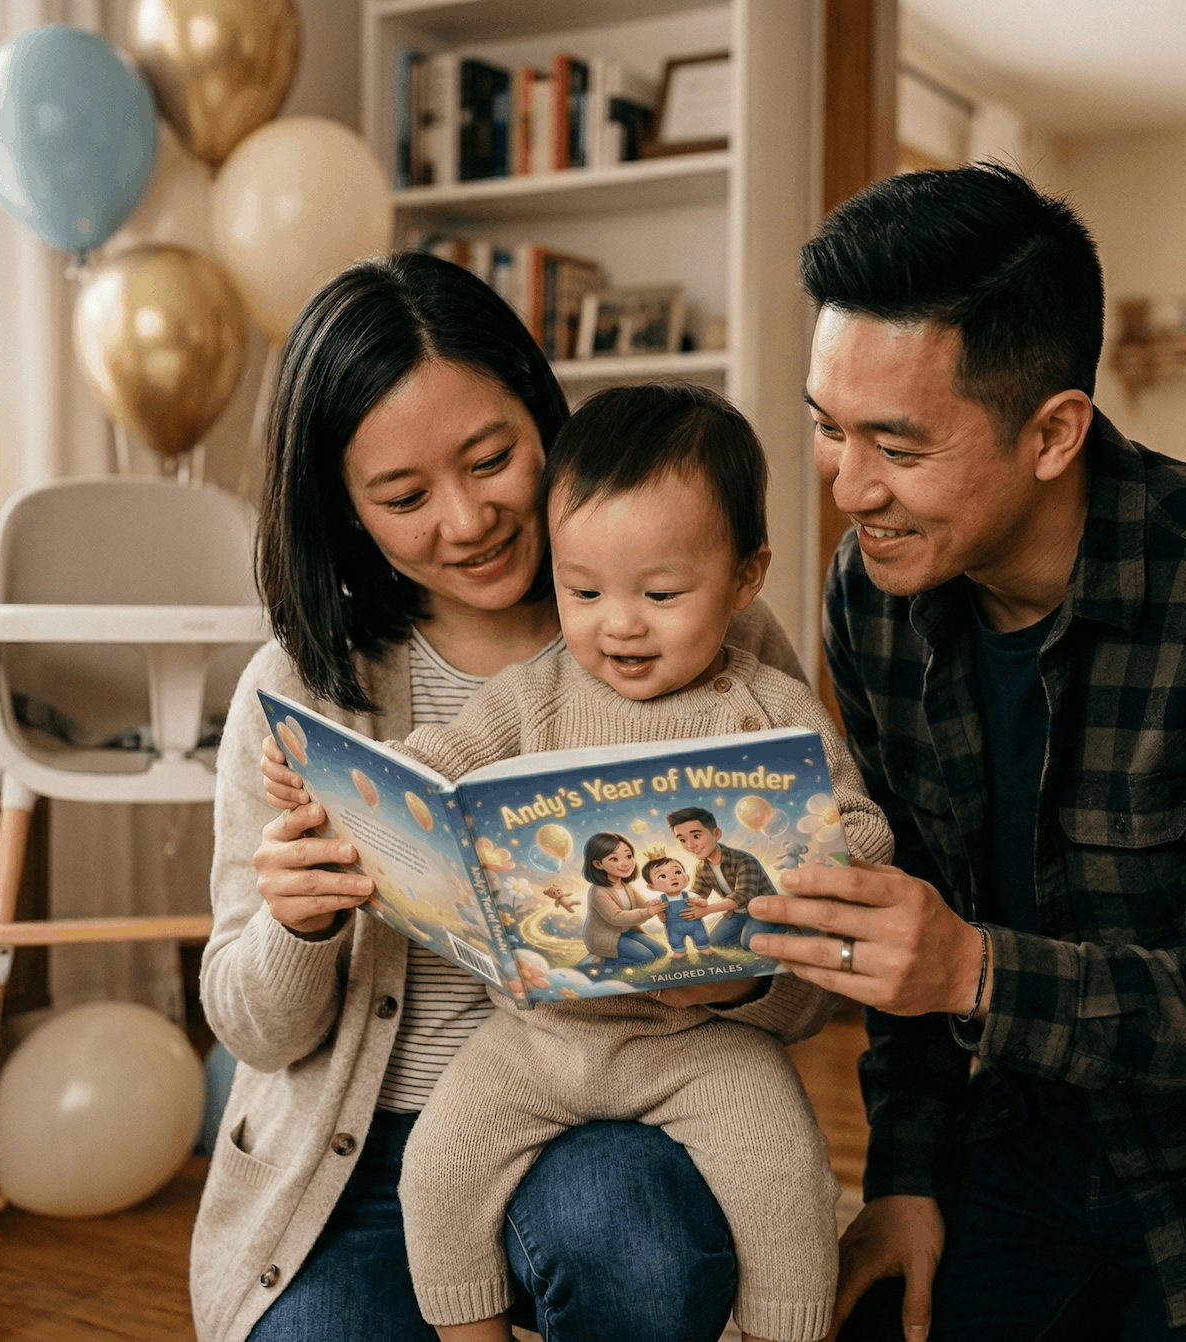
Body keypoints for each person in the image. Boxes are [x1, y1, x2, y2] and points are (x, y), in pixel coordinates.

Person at [745, 164, 1186, 1341]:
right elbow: (899, 926)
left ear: (1052, 431)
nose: (848, 486)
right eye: (827, 427)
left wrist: (972, 970)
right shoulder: (873, 595)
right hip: (1037, 1119)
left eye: (897, 445)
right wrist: (907, 1178)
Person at [192, 253, 829, 1342]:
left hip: (609, 1115)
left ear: (544, 420)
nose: (467, 518)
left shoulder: (705, 637)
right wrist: (296, 923)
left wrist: (723, 979)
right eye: (402, 496)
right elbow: (252, 1027)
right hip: (350, 1168)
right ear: (343, 510)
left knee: (641, 1245)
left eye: (492, 460)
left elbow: (809, 973)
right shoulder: (299, 687)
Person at [670, 806, 784, 949]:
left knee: (749, 943)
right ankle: (747, 931)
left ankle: (785, 928)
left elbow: (743, 895)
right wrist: (673, 905)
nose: (691, 845)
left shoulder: (743, 859)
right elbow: (698, 894)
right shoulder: (702, 867)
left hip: (763, 909)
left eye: (696, 836)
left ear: (716, 834)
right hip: (738, 912)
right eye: (682, 840)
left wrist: (707, 910)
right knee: (716, 942)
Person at [581, 832, 668, 969]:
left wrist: (657, 904)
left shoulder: (626, 886)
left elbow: (644, 904)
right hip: (605, 938)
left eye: (628, 856)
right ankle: (598, 961)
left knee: (661, 952)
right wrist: (648, 912)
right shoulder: (598, 891)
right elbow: (616, 917)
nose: (625, 863)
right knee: (646, 958)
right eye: (614, 859)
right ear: (598, 864)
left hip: (627, 931)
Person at [643, 849, 716, 961]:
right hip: (673, 926)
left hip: (694, 924)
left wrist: (700, 902)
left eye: (677, 872)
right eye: (662, 876)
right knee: (674, 939)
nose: (673, 878)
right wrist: (657, 910)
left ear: (686, 878)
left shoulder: (690, 895)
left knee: (701, 936)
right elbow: (654, 909)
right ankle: (679, 951)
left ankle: (704, 948)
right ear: (652, 887)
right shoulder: (660, 899)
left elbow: (704, 903)